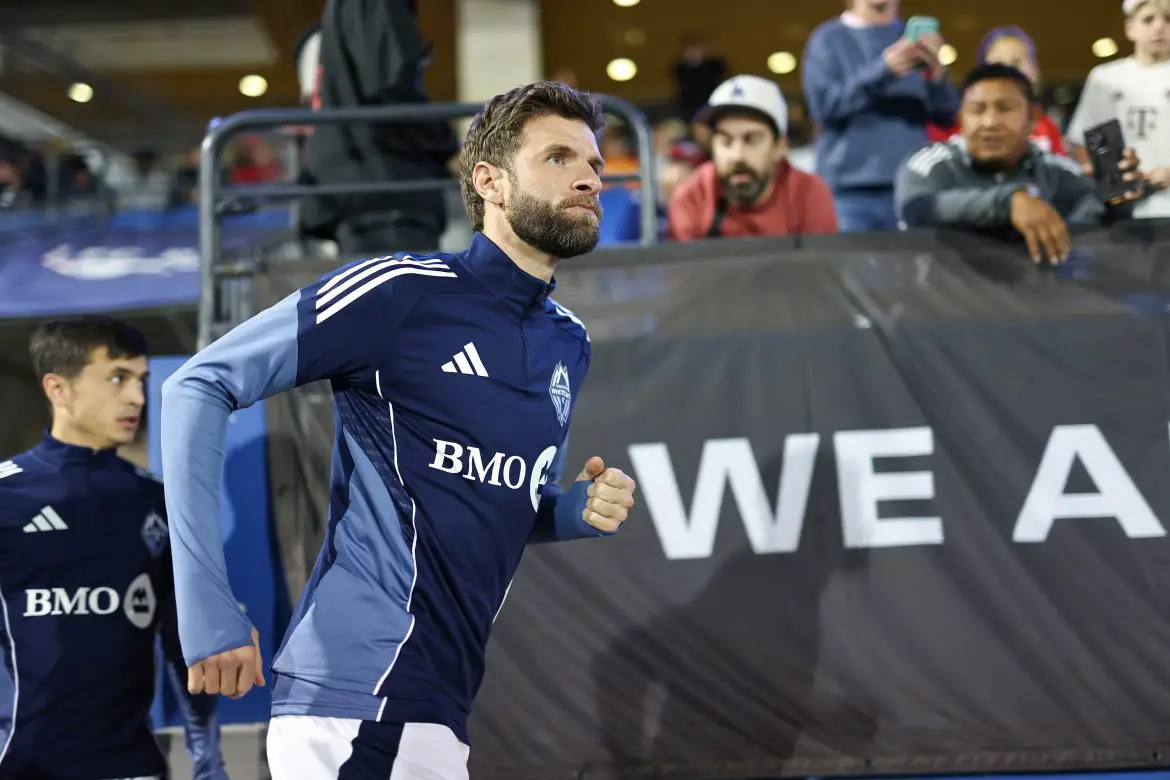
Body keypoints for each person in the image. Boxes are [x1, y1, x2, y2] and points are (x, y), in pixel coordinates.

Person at [161, 80, 637, 779]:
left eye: (594, 163)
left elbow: (511, 501)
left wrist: (573, 512)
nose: (590, 178)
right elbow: (197, 385)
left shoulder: (569, 342)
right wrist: (204, 611)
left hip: (435, 709)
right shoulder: (400, 291)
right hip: (354, 700)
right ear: (490, 182)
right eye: (559, 158)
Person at [0, 316, 226, 780]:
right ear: (58, 388)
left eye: (142, 380)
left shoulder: (156, 500)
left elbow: (183, 645)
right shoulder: (6, 496)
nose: (138, 397)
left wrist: (208, 762)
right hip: (20, 765)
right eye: (118, 378)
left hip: (132, 768)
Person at [895, 64, 1145, 263]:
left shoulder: (1055, 170)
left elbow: (1098, 219)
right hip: (941, 309)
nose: (989, 122)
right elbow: (916, 208)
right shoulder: (930, 163)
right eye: (977, 110)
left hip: (1037, 308)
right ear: (961, 118)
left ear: (1032, 117)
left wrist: (1117, 197)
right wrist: (1009, 202)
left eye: (1004, 108)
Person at [801, 0, 960, 232]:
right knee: (846, 257)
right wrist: (884, 69)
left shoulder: (915, 40)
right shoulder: (827, 39)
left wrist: (935, 73)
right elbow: (823, 108)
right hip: (848, 190)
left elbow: (948, 114)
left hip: (912, 185)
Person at [668, 75, 837, 240]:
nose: (737, 156)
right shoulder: (692, 198)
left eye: (751, 140)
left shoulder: (808, 195)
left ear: (780, 147)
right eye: (726, 141)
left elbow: (821, 259)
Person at [1065, 0, 1170, 219]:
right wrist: (1107, 178)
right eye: (1148, 20)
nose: (1159, 27)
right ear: (1130, 28)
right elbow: (1083, 142)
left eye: (1168, 19)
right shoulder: (1105, 78)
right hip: (1119, 212)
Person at [926, 26, 1067, 155]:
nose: (1007, 70)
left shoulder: (1047, 128)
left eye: (1016, 62)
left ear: (1034, 71)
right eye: (998, 63)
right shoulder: (960, 129)